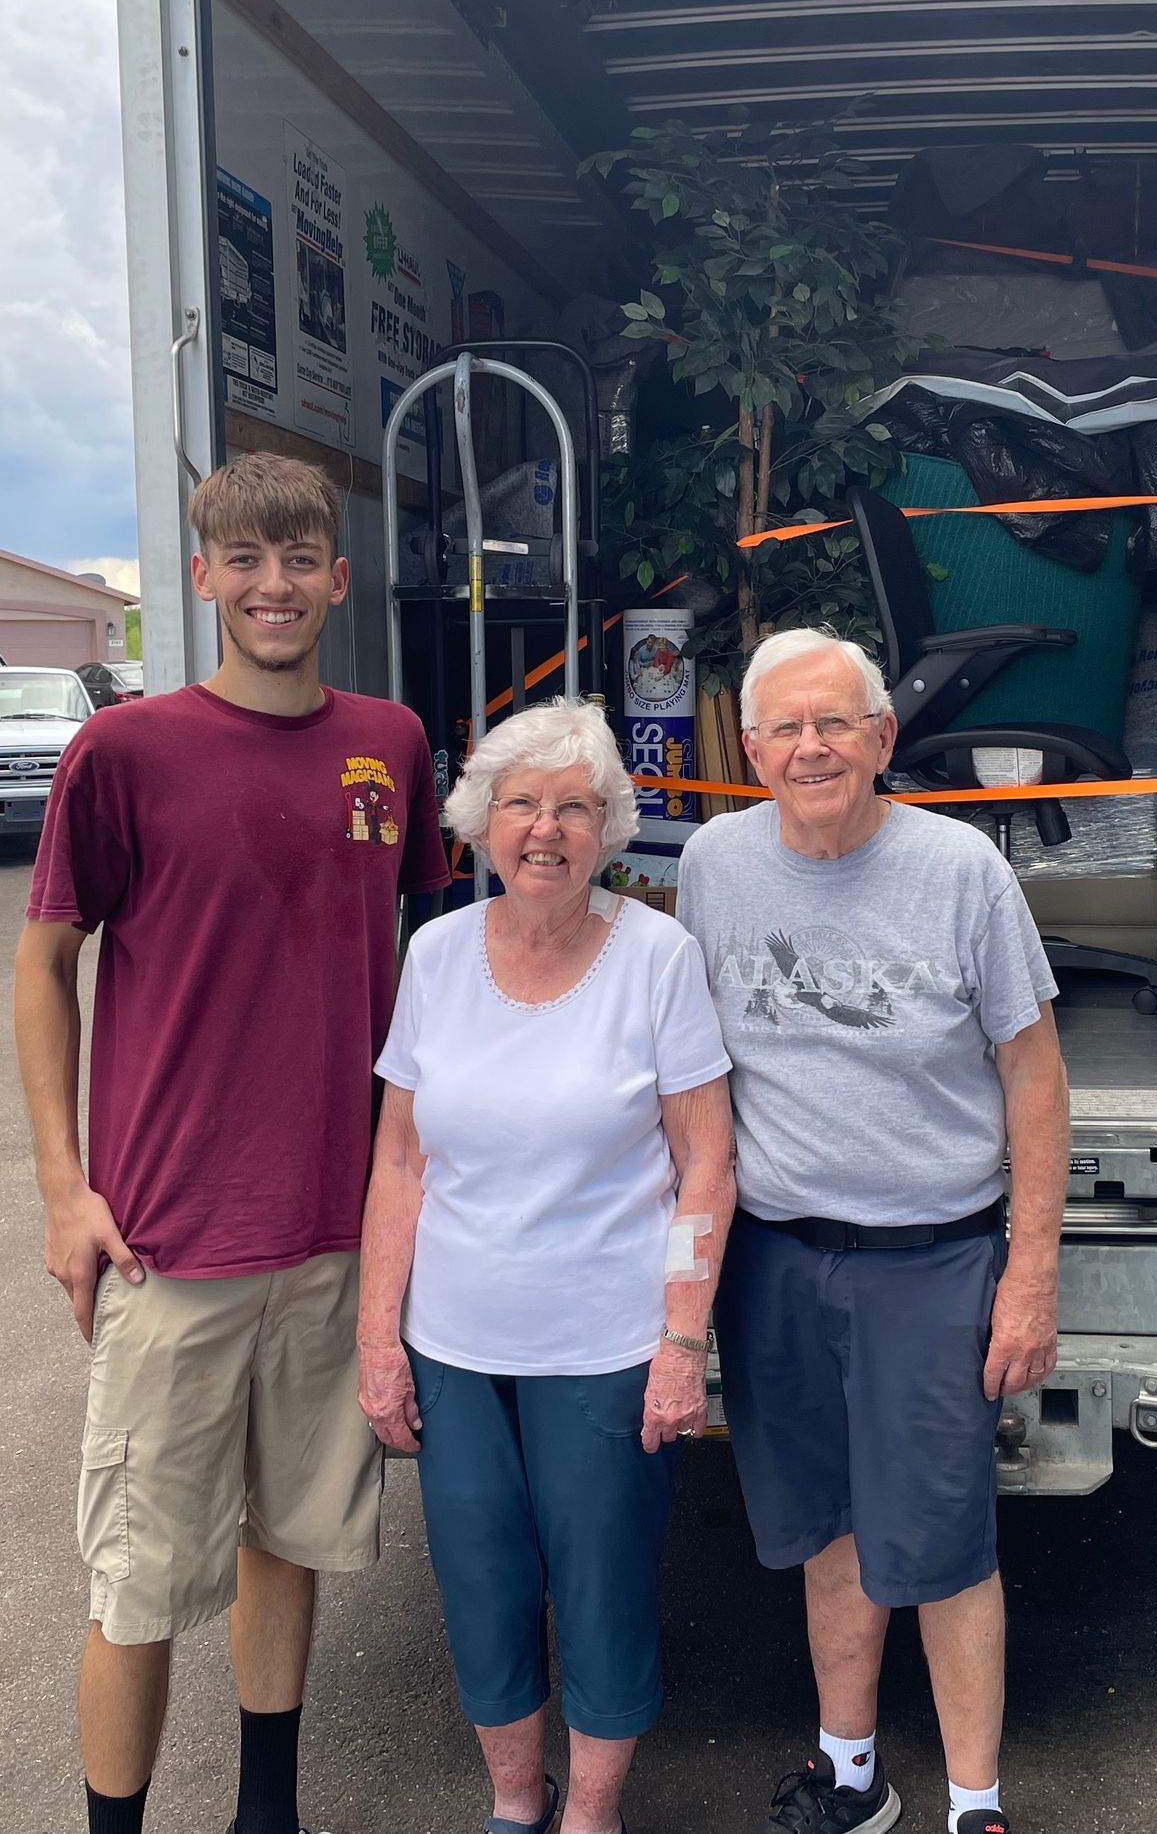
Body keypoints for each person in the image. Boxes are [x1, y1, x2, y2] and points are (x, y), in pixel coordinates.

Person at [13, 453, 449, 1834]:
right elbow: (45, 963)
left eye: (298, 557)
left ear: (335, 575)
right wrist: (64, 1188)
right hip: (171, 1242)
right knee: (138, 1580)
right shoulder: (125, 751)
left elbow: (434, 966)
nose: (274, 584)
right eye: (244, 559)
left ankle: (271, 1815)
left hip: (334, 1233)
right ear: (201, 576)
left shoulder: (392, 738)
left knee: (291, 1538)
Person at [675, 628, 1070, 1834]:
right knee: (826, 1530)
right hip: (775, 1259)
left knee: (944, 1539)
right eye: (786, 729)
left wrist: (1032, 1275)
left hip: (931, 1258)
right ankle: (850, 1775)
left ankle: (975, 1804)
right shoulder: (711, 863)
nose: (811, 748)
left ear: (884, 737)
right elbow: (690, 1076)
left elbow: (1035, 1075)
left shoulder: (961, 872)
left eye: (836, 723)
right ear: (749, 750)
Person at [357, 698, 735, 1834]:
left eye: (575, 806)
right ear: (478, 822)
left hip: (608, 1346)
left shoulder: (655, 956)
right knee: (480, 1587)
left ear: (608, 827)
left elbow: (704, 1164)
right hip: (456, 1346)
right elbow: (400, 1163)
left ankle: (594, 1814)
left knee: (605, 1589)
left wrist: (680, 1341)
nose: (545, 828)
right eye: (520, 802)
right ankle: (516, 1803)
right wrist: (380, 1339)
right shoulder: (433, 955)